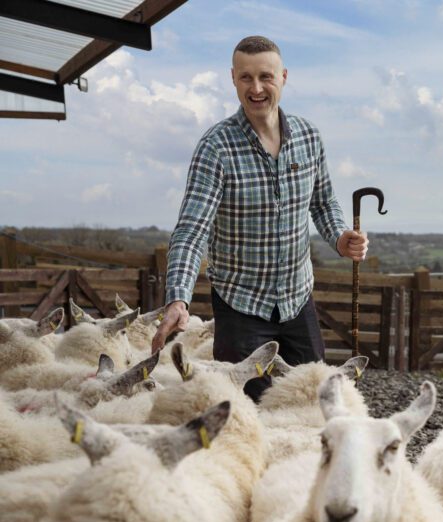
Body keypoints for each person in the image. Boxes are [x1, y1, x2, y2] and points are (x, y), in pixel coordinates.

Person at [152, 35, 367, 401]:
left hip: (297, 300)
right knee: (244, 409)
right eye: (245, 78)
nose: (256, 88)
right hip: (241, 306)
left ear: (283, 77)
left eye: (265, 77)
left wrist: (339, 236)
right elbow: (192, 231)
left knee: (311, 400)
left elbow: (323, 202)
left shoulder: (309, 137)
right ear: (233, 79)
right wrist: (178, 299)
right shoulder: (215, 147)